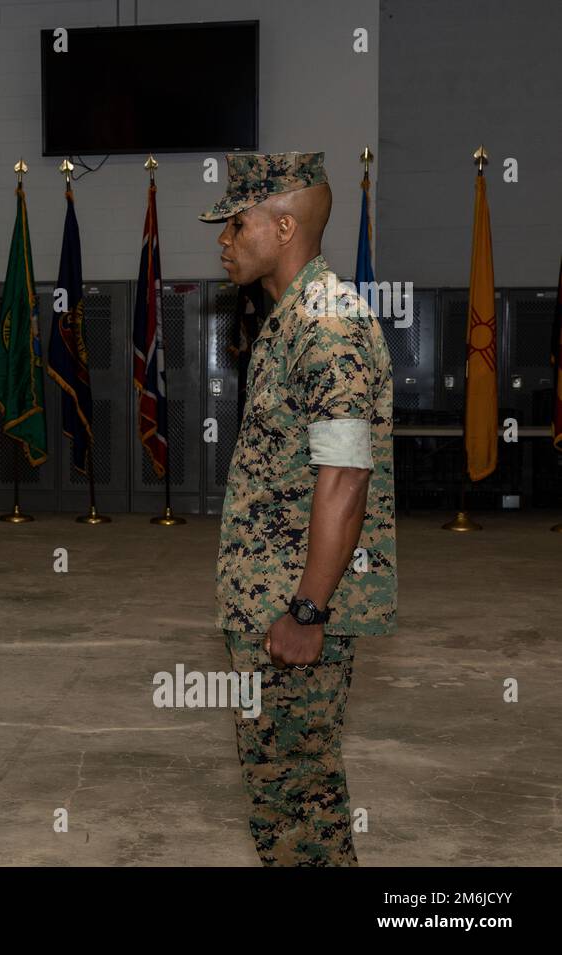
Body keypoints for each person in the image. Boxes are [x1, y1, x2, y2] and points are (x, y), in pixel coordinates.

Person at [199, 151, 397, 865]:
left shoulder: (328, 324)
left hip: (293, 611)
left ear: (284, 228)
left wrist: (308, 610)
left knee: (299, 806)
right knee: (284, 797)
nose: (224, 239)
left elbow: (344, 474)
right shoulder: (293, 318)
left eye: (237, 223)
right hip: (268, 604)